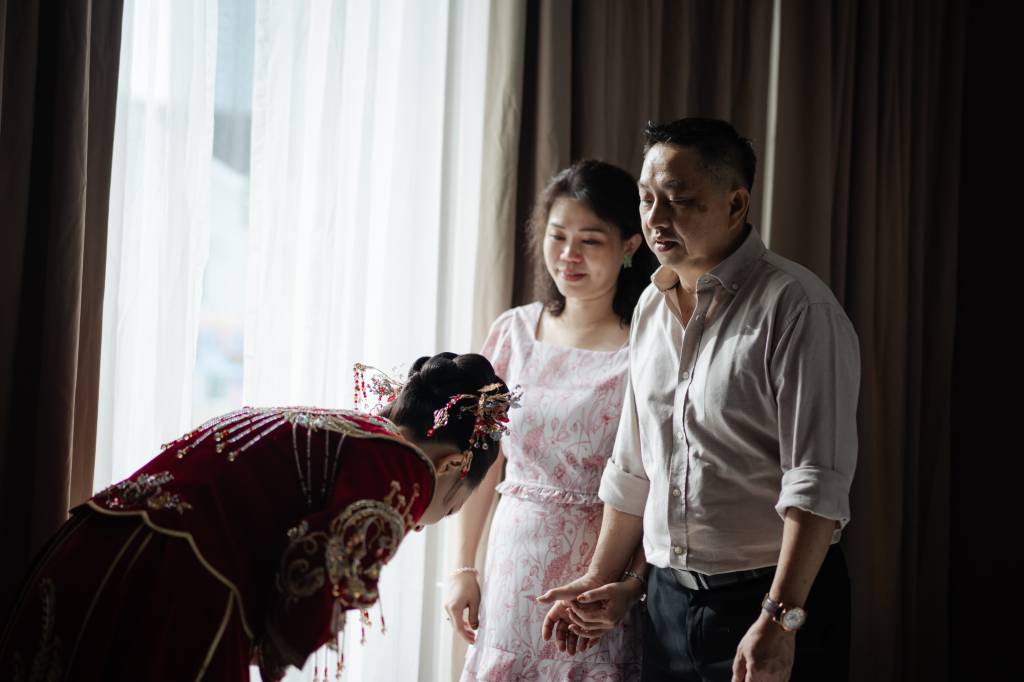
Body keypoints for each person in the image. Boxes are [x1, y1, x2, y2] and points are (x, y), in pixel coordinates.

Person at [539, 118, 860, 682]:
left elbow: (816, 484)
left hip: (771, 599)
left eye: (680, 200)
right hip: (666, 603)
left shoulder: (796, 307)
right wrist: (600, 577)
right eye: (646, 199)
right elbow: (634, 465)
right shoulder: (649, 307)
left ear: (736, 204)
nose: (656, 218)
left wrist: (779, 619)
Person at [0, 352, 515, 682]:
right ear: (452, 466)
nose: (417, 524)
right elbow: (323, 570)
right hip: (179, 585)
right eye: (448, 509)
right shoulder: (405, 466)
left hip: (98, 544)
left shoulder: (346, 429)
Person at [446, 160, 656, 680]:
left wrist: (631, 582)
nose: (568, 255)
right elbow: (482, 461)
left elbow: (657, 481)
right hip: (513, 563)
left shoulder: (647, 346)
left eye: (590, 240)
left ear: (630, 245)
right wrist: (464, 567)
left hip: (600, 572)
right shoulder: (512, 333)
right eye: (558, 236)